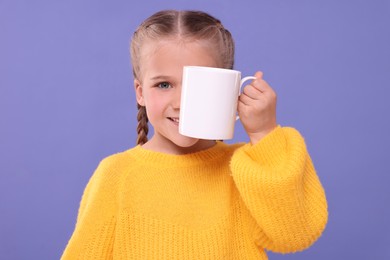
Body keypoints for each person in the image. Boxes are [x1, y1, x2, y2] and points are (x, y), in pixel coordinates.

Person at [61, 10, 328, 259]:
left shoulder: (250, 171)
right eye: (164, 84)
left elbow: (296, 234)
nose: (180, 101)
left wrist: (264, 133)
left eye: (197, 84)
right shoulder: (116, 175)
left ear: (228, 88)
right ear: (140, 92)